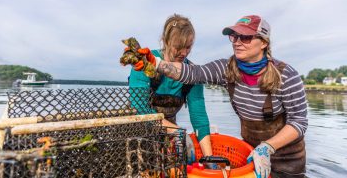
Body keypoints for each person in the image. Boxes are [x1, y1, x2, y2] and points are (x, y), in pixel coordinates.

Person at [132, 15, 308, 178]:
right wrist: (155, 63)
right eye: (234, 37)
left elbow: (299, 121)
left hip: (288, 160)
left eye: (245, 37)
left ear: (264, 42)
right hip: (250, 153)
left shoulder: (286, 75)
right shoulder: (226, 70)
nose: (237, 42)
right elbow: (194, 73)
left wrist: (267, 147)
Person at [129, 13, 214, 164]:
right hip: (138, 130)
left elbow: (199, 118)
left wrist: (210, 160)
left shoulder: (193, 73)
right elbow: (139, 108)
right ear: (166, 41)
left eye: (188, 47)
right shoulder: (144, 64)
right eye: (178, 47)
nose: (184, 53)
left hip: (170, 135)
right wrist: (176, 131)